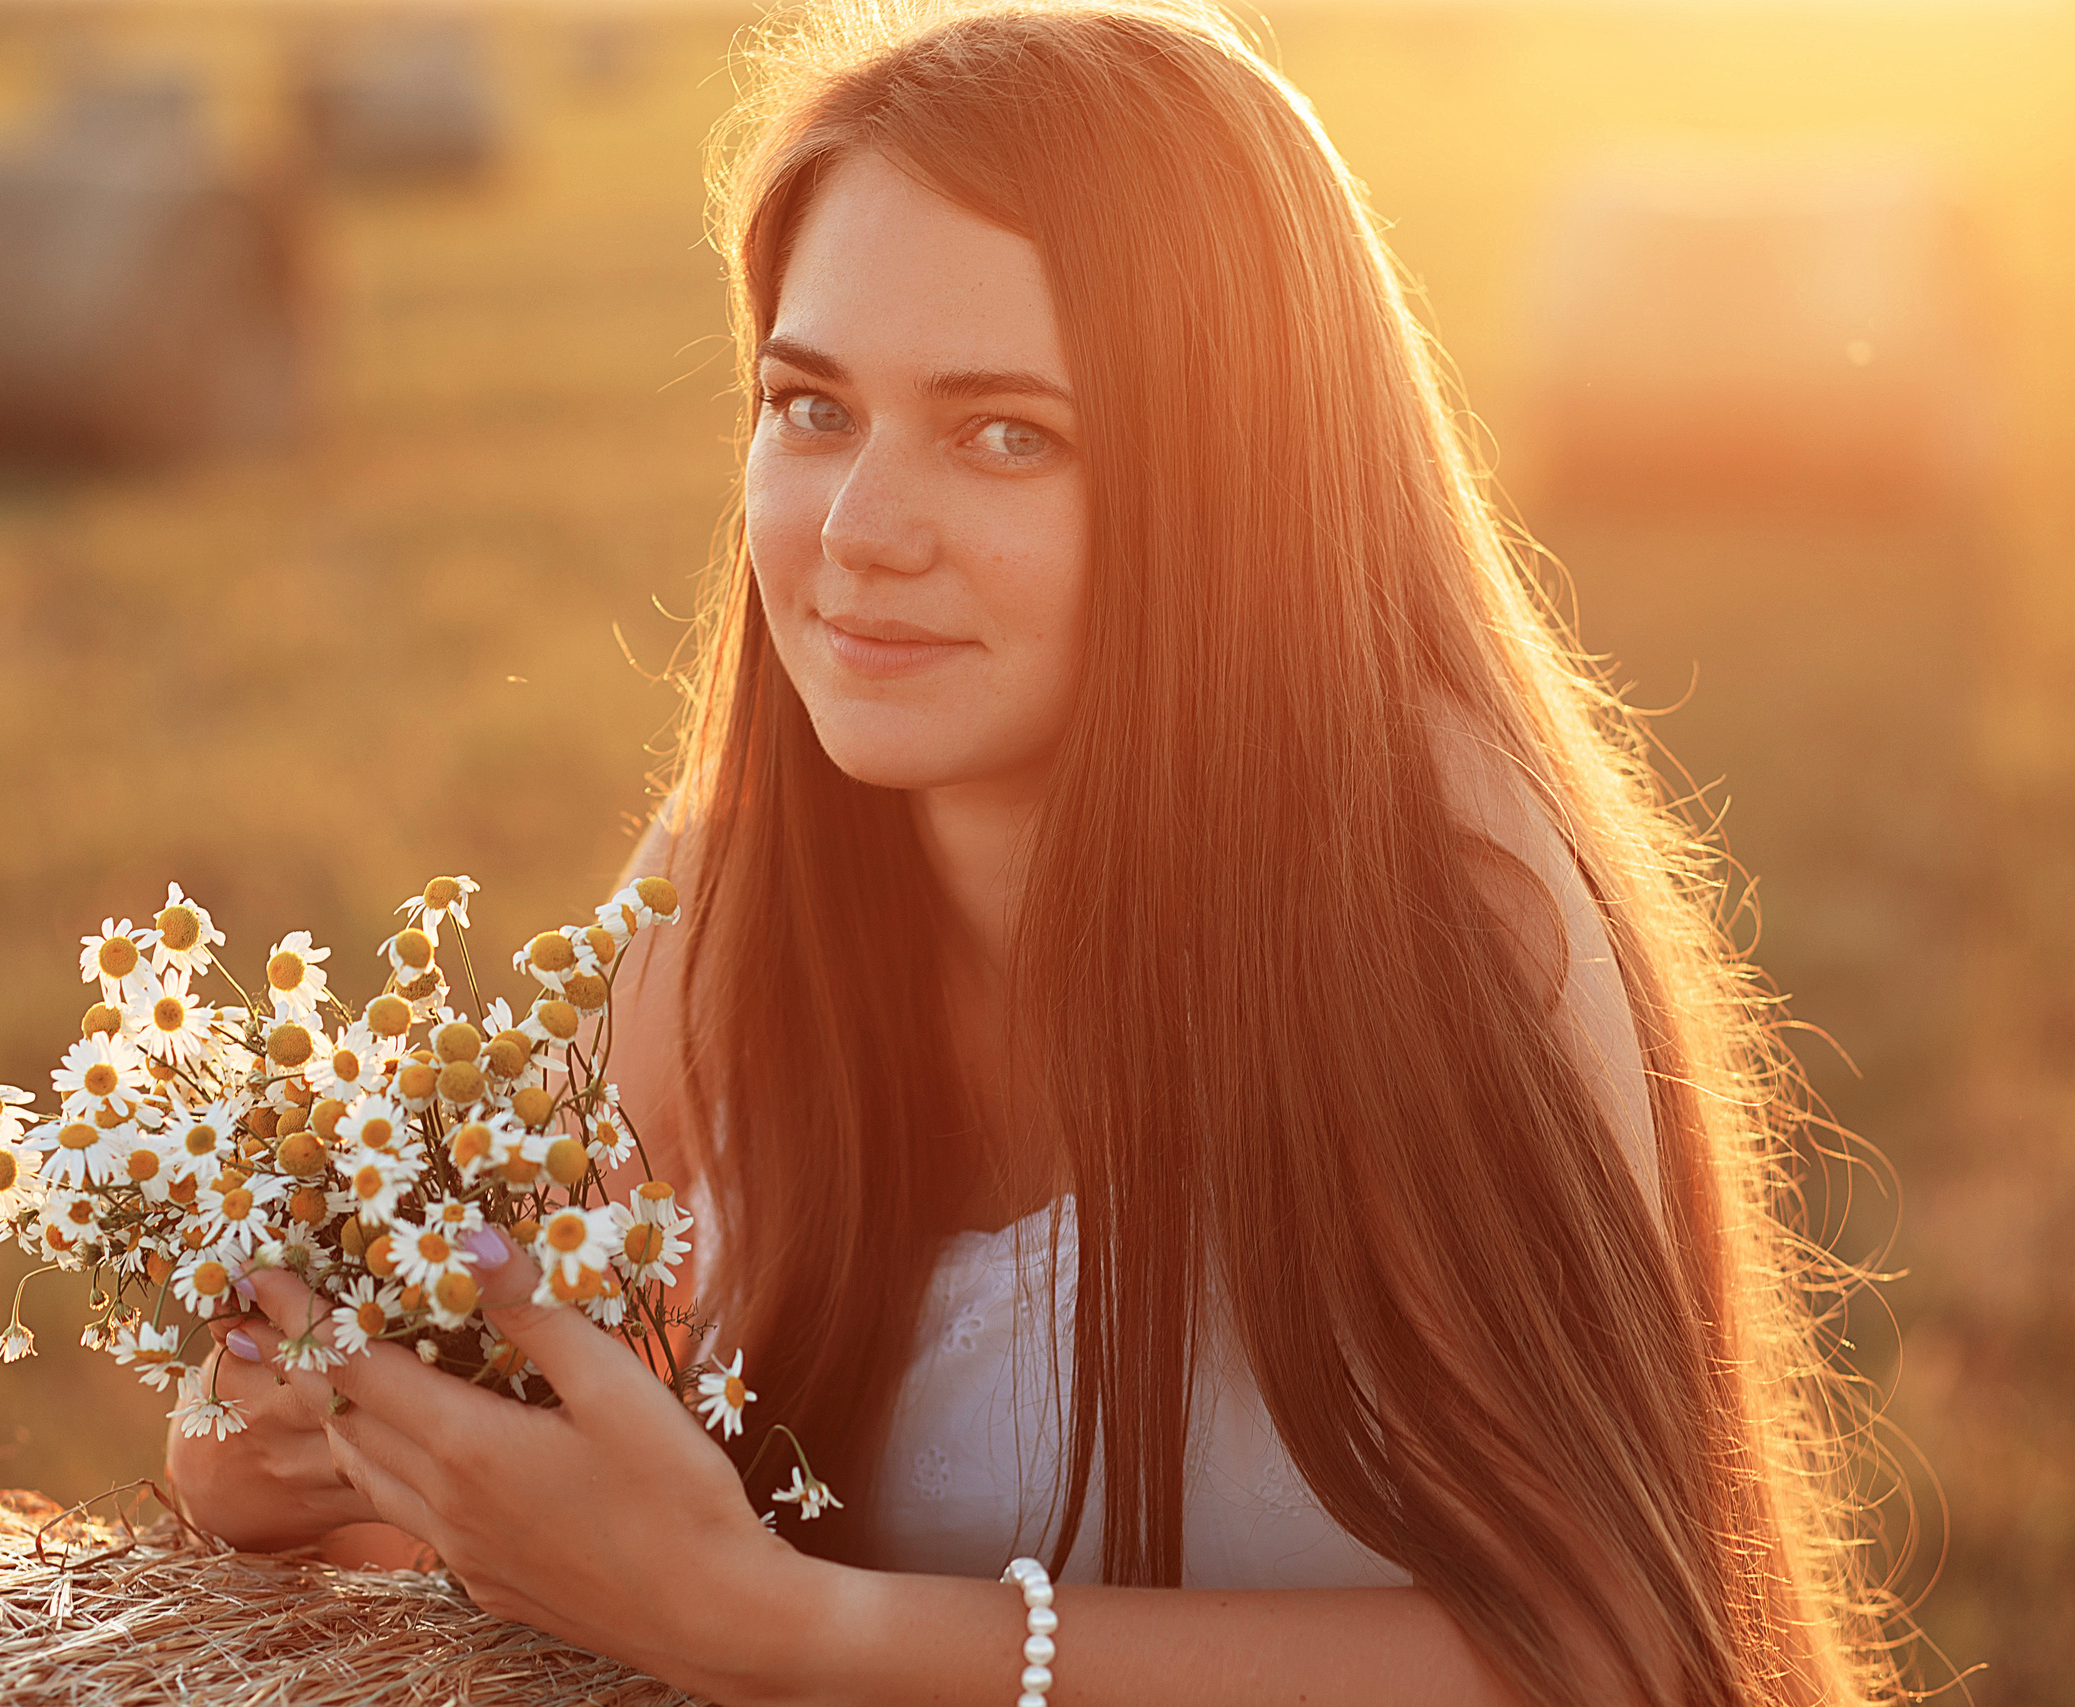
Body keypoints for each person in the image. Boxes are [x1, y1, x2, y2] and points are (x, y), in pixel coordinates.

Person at [171, 1, 1897, 1700]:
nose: (858, 535)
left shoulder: (1442, 911)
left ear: (1231, 479)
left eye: (1009, 434)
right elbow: (582, 1526)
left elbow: (1612, 1659)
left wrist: (787, 1635)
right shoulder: (721, 899)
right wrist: (313, 1471)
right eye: (812, 407)